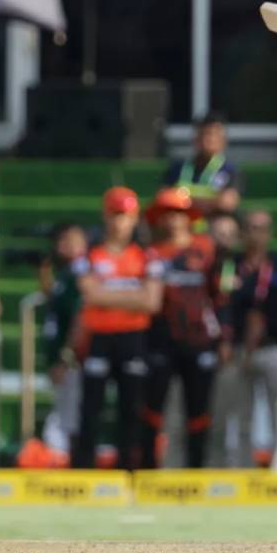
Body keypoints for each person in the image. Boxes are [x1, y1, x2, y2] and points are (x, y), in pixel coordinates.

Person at [71, 187, 162, 469]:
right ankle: (83, 471)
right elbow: (90, 294)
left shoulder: (146, 257)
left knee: (131, 408)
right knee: (90, 408)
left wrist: (107, 295)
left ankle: (129, 471)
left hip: (133, 339)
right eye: (114, 215)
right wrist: (132, 296)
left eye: (125, 216)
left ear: (134, 218)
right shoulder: (90, 255)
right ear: (105, 217)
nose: (119, 222)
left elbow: (152, 302)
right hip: (99, 338)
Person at [210, 209, 277, 467]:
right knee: (240, 415)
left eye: (263, 228)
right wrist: (225, 342)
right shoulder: (231, 264)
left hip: (275, 347)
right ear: (243, 233)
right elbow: (222, 302)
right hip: (238, 348)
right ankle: (242, 470)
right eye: (251, 228)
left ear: (270, 233)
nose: (257, 234)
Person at [141, 188, 222, 468]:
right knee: (152, 408)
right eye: (167, 214)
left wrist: (224, 337)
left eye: (179, 213)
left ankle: (196, 472)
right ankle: (148, 469)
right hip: (160, 338)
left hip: (199, 339)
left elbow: (219, 296)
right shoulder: (151, 253)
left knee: (198, 412)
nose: (173, 220)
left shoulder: (206, 249)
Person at [38, 223, 88, 455]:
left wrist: (66, 355)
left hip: (73, 358)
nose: (63, 246)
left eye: (70, 241)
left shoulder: (82, 273)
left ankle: (75, 469)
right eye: (60, 241)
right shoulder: (64, 274)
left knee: (72, 420)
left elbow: (81, 317)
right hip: (61, 354)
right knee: (65, 415)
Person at [160, 113, 242, 220]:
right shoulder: (177, 168)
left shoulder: (231, 170)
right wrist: (212, 201)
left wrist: (183, 200)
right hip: (183, 224)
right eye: (204, 134)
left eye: (213, 135)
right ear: (195, 139)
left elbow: (227, 203)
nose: (208, 139)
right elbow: (164, 197)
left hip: (213, 223)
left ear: (223, 141)